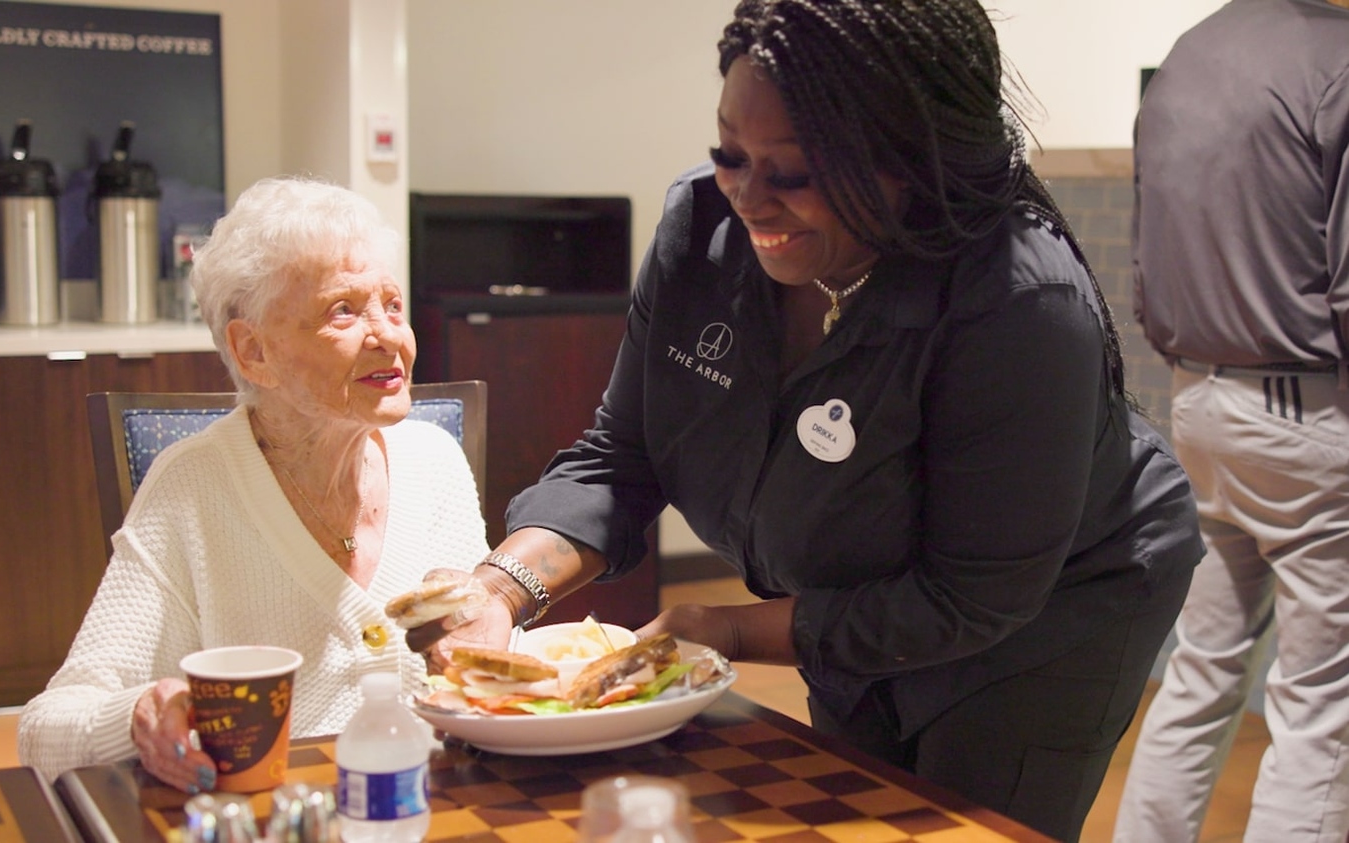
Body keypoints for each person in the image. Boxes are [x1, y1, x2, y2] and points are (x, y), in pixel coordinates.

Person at [397, 2, 1206, 840]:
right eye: (730, 154)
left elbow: (968, 596)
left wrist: (726, 626)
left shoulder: (1016, 300)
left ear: (910, 164)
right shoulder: (700, 234)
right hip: (860, 584)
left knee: (965, 820)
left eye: (792, 173)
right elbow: (622, 458)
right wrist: (497, 590)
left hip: (1050, 609)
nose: (748, 197)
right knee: (854, 808)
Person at [17, 176, 488, 791]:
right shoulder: (194, 488)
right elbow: (46, 730)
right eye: (343, 309)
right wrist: (138, 718)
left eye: (392, 305)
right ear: (252, 351)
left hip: (439, 810)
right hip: (274, 819)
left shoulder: (433, 458)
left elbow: (494, 668)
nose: (388, 335)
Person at [1112, 1, 1349, 840]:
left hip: (1199, 407)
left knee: (1199, 671)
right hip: (1311, 417)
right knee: (1322, 700)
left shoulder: (1187, 53)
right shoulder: (1340, 57)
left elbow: (1145, 262)